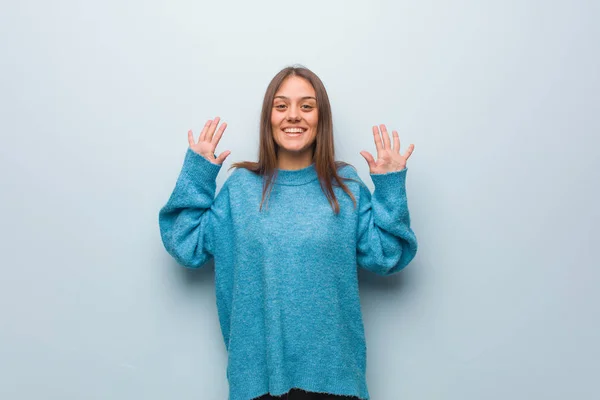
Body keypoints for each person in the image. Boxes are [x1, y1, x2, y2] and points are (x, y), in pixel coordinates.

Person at [158, 66, 418, 400]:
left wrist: (390, 186)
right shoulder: (240, 190)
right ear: (268, 117)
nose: (293, 115)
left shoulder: (346, 186)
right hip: (258, 382)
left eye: (306, 106)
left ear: (320, 118)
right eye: (281, 106)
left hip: (335, 382)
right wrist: (197, 174)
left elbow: (388, 254)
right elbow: (185, 243)